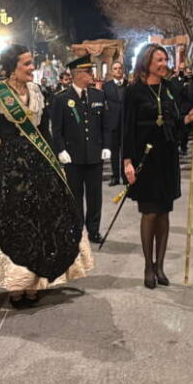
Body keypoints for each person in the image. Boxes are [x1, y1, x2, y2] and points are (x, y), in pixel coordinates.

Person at [0, 45, 93, 308]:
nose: (32, 68)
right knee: (12, 221)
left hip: (39, 164)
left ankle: (36, 282)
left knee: (43, 221)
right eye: (27, 64)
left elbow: (43, 132)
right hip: (9, 165)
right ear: (12, 67)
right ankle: (17, 285)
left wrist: (56, 162)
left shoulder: (36, 92)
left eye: (32, 63)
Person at [123, 44, 193, 289]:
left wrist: (188, 118)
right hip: (144, 159)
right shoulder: (134, 91)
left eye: (165, 59)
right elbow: (126, 129)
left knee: (164, 212)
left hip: (166, 158)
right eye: (159, 59)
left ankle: (160, 265)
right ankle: (148, 265)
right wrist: (127, 162)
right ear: (147, 61)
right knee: (150, 212)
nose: (163, 63)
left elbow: (174, 122)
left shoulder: (170, 88)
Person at [51, 54, 111, 243]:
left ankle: (93, 230)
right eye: (88, 71)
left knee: (95, 197)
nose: (92, 74)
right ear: (78, 74)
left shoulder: (98, 95)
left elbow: (105, 125)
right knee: (74, 196)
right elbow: (57, 129)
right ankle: (76, 231)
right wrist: (60, 150)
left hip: (94, 154)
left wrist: (107, 146)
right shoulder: (61, 99)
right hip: (73, 156)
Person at [103, 61, 127, 185]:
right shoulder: (106, 86)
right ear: (112, 71)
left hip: (126, 123)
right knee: (114, 152)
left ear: (123, 70)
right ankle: (115, 176)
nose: (117, 70)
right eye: (115, 68)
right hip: (112, 124)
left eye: (119, 68)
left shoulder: (129, 85)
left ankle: (125, 175)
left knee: (126, 151)